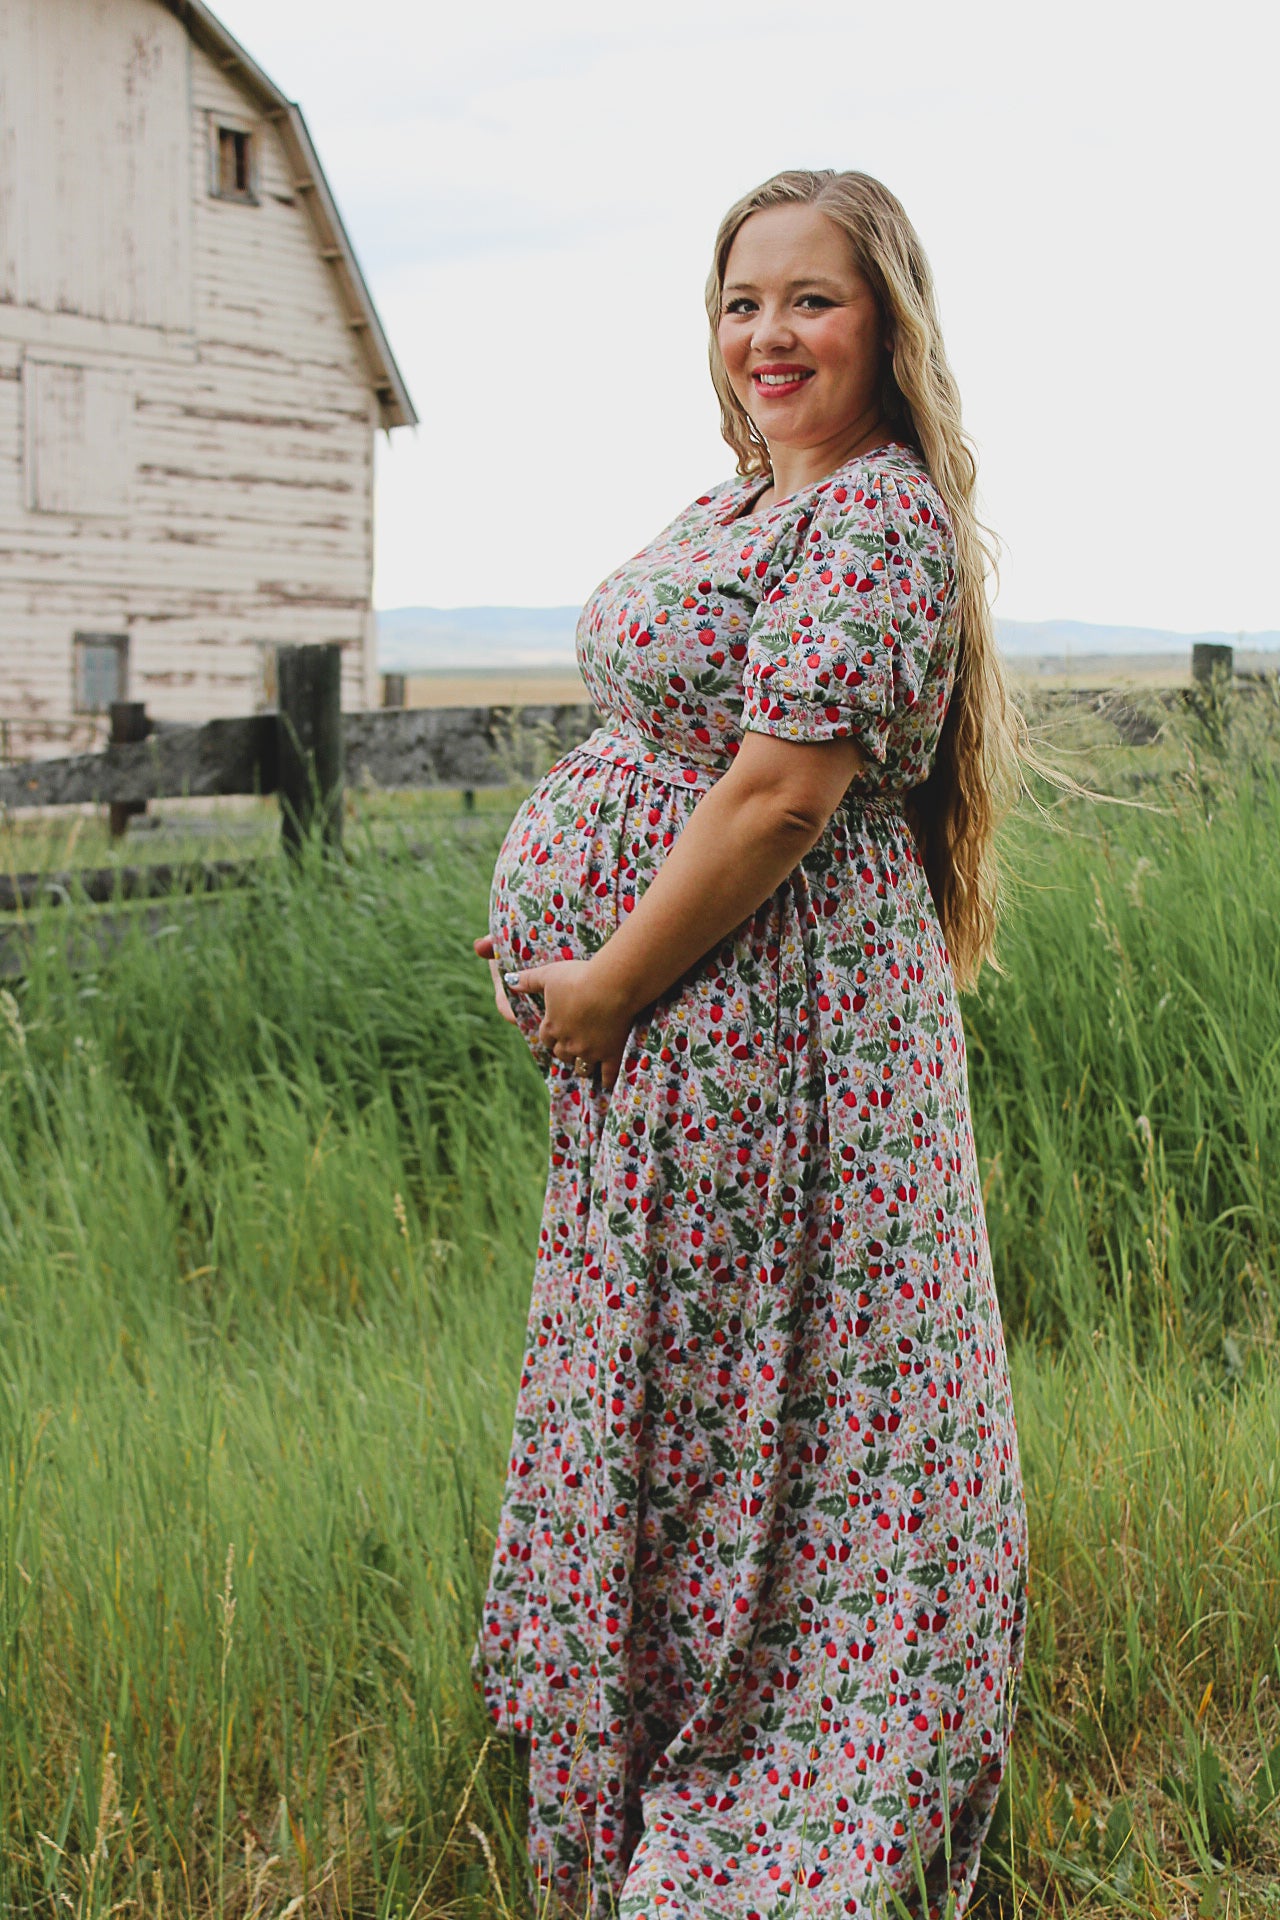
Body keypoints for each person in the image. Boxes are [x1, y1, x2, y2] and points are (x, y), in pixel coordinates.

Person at [472, 168, 1029, 1920]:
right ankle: (654, 1724)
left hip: (785, 1045)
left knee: (809, 1399)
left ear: (888, 325)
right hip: (693, 1049)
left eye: (813, 299)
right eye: (743, 303)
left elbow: (786, 794)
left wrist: (617, 982)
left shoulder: (872, 521)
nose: (771, 334)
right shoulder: (738, 506)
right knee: (711, 1389)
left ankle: (796, 1771)